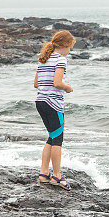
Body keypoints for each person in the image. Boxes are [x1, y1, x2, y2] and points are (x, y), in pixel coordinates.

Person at [34, 30, 75, 190]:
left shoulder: (43, 59)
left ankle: (44, 173)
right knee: (57, 139)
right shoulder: (61, 60)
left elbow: (36, 84)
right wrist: (67, 88)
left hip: (40, 101)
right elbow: (57, 83)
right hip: (53, 104)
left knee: (51, 137)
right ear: (64, 46)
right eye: (70, 47)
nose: (70, 51)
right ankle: (57, 176)